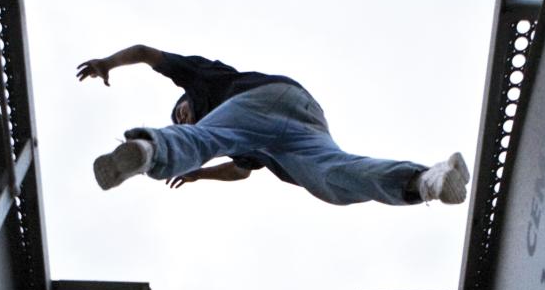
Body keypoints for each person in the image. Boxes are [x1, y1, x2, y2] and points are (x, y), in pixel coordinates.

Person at [76, 44, 468, 206]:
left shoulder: (201, 81)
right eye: (180, 118)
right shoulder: (234, 142)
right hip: (299, 131)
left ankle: (148, 150)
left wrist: (107, 64)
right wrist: (200, 178)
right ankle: (426, 180)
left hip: (268, 97)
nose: (184, 115)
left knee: (203, 137)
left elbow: (146, 53)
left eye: (181, 111)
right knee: (331, 180)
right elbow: (241, 172)